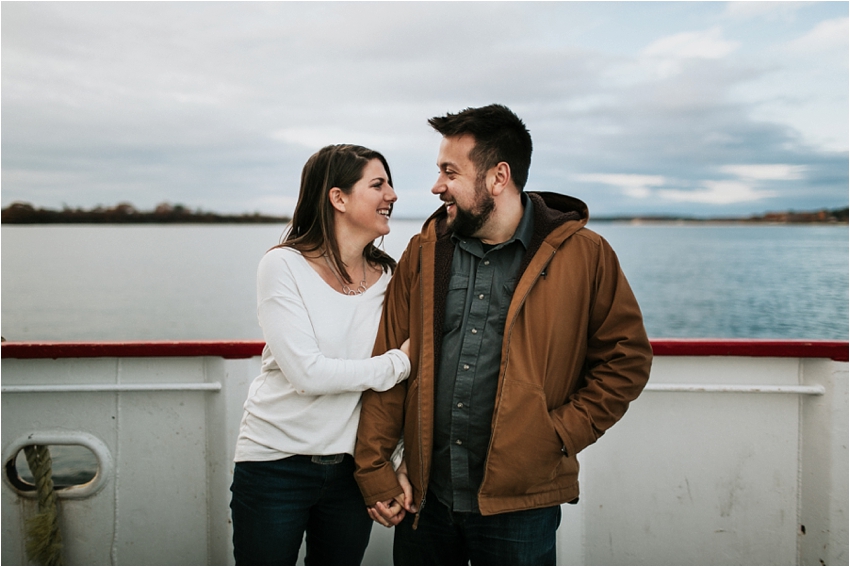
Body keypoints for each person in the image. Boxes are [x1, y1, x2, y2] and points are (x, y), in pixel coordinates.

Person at [353, 104, 653, 565]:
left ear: (498, 177)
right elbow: (391, 361)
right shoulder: (424, 251)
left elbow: (626, 360)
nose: (436, 186)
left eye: (449, 172)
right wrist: (376, 470)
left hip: (523, 504)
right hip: (425, 500)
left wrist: (555, 435)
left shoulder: (585, 255)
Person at [230, 144, 411, 566]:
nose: (393, 195)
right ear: (339, 197)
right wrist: (398, 364)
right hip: (275, 465)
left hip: (352, 471)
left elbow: (393, 397)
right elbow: (307, 373)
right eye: (378, 184)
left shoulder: (391, 277)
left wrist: (394, 463)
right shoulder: (282, 266)